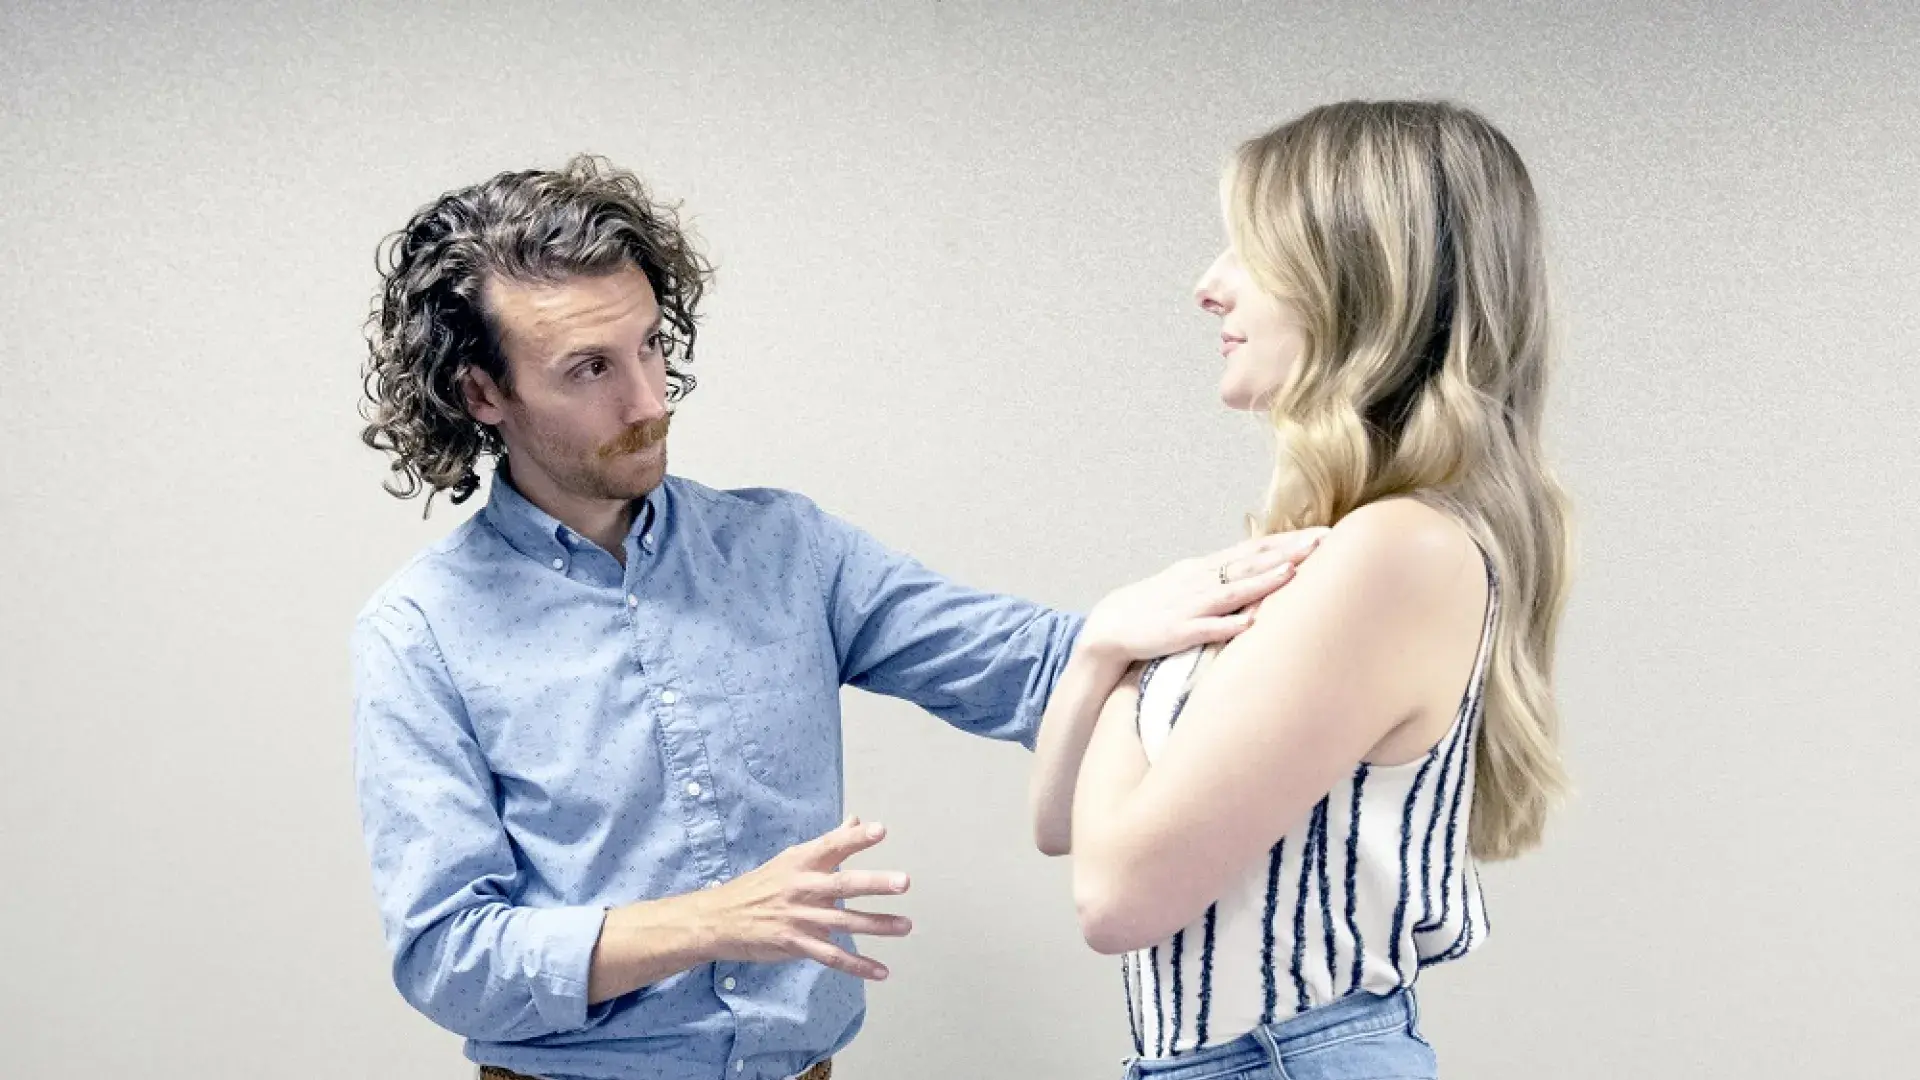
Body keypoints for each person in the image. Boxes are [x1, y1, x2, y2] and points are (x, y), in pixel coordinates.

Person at [349, 155, 1318, 1080]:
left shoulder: (787, 548)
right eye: (589, 370)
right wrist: (713, 921)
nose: (649, 400)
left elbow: (1040, 667)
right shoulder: (423, 631)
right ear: (481, 392)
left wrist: (1290, 597)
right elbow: (449, 956)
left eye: (649, 345)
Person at [1029, 100, 1574, 1080]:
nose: (1208, 286)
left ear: (1357, 280)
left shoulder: (1400, 551)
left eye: (1249, 249)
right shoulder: (1343, 549)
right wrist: (1106, 647)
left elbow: (1115, 899)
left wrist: (1124, 659)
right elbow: (1058, 826)